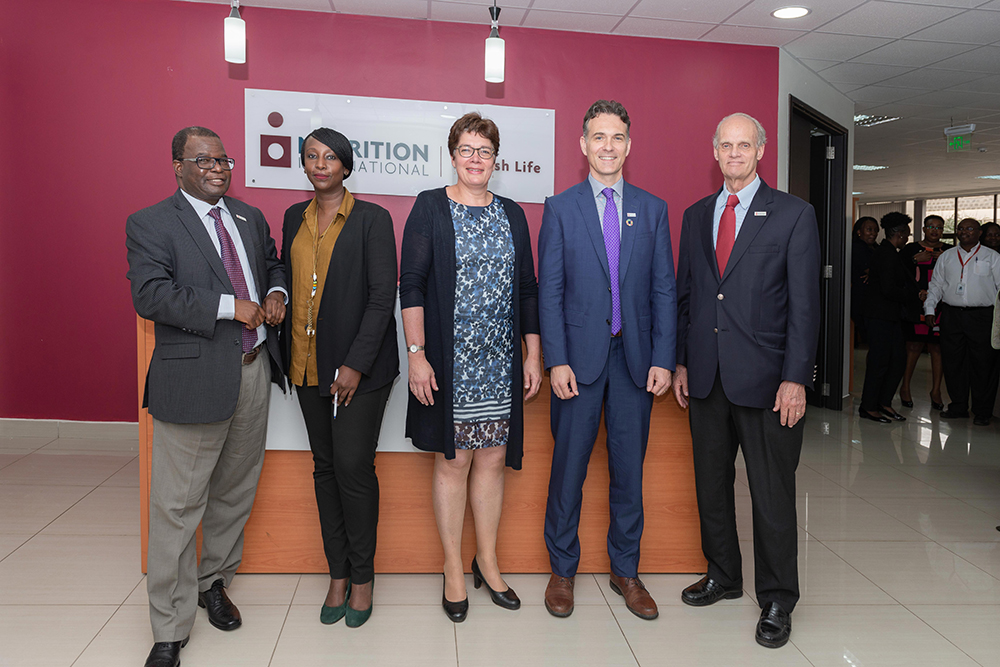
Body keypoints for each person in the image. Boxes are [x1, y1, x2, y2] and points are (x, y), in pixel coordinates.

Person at [126, 127, 287, 667]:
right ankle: (170, 627)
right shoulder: (151, 223)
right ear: (178, 166)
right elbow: (150, 295)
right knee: (177, 506)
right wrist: (228, 306)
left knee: (234, 492)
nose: (217, 168)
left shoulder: (248, 217)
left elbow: (272, 263)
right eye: (203, 160)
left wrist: (276, 292)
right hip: (193, 380)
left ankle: (213, 582)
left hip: (253, 372)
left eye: (223, 159)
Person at [672, 113, 819, 648]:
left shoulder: (794, 214)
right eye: (726, 145)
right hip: (707, 377)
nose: (734, 153)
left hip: (768, 382)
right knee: (711, 485)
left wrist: (796, 378)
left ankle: (777, 598)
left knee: (771, 494)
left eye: (744, 145)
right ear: (714, 152)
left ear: (760, 151)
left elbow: (805, 306)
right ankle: (723, 575)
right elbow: (689, 295)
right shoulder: (695, 215)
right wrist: (682, 362)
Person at [399, 112, 541, 623]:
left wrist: (533, 353)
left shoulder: (512, 214)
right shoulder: (430, 206)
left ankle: (488, 561)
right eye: (467, 149)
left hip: (499, 362)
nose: (475, 158)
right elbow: (411, 284)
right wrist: (417, 355)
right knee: (454, 461)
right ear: (453, 155)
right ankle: (453, 568)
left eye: (484, 150)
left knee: (493, 460)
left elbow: (528, 289)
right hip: (449, 362)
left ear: (495, 159)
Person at [538, 99, 676, 621]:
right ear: (583, 144)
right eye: (598, 136)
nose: (608, 146)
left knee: (628, 474)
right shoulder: (561, 208)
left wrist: (663, 357)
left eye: (617, 137)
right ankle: (562, 570)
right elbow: (550, 292)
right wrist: (556, 360)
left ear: (629, 144)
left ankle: (626, 571)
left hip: (635, 363)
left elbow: (664, 290)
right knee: (568, 470)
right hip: (577, 363)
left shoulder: (653, 209)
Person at [279, 128, 398, 628]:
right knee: (325, 468)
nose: (320, 164)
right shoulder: (293, 217)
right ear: (304, 165)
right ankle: (338, 574)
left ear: (346, 166)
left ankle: (363, 579)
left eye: (330, 157)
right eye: (312, 156)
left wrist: (355, 363)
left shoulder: (373, 219)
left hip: (359, 370)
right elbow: (285, 278)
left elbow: (381, 296)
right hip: (307, 363)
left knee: (353, 467)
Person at [924, 218, 1000, 425]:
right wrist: (930, 308)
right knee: (953, 362)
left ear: (979, 233)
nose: (964, 232)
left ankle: (982, 411)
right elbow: (936, 285)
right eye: (960, 228)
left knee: (983, 364)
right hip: (952, 315)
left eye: (970, 228)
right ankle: (958, 406)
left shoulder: (992, 257)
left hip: (982, 316)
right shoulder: (947, 256)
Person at [859, 212, 922, 423]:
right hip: (880, 316)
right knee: (879, 362)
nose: (907, 238)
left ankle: (884, 402)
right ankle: (868, 407)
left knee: (897, 360)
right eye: (907, 234)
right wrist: (913, 294)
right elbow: (888, 289)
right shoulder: (885, 254)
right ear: (899, 234)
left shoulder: (889, 252)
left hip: (889, 316)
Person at [898, 215, 950, 410]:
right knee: (913, 346)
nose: (935, 231)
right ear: (923, 229)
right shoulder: (910, 249)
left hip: (941, 306)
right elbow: (899, 274)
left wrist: (945, 261)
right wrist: (914, 260)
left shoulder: (949, 251)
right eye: (931, 227)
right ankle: (905, 387)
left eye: (939, 227)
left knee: (937, 348)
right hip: (915, 305)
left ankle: (936, 391)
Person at [851, 216, 879, 345]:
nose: (873, 233)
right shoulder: (857, 248)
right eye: (869, 229)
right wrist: (875, 273)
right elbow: (874, 271)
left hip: (874, 301)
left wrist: (875, 273)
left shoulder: (876, 248)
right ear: (859, 232)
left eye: (875, 230)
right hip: (862, 300)